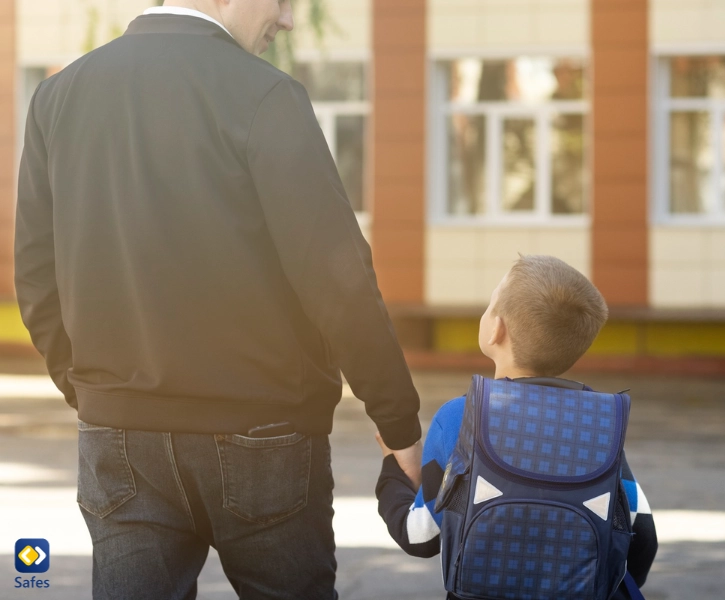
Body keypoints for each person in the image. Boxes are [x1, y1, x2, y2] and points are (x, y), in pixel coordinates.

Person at [14, 1, 424, 598]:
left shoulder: (58, 96)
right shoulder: (265, 95)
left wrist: (97, 394)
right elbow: (337, 279)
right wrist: (399, 425)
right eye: (282, 2)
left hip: (118, 432)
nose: (287, 20)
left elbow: (36, 276)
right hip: (266, 434)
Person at [375, 255, 658, 599]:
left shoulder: (459, 417)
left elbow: (420, 535)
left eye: (491, 303)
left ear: (497, 329)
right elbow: (641, 534)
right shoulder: (597, 426)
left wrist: (392, 469)